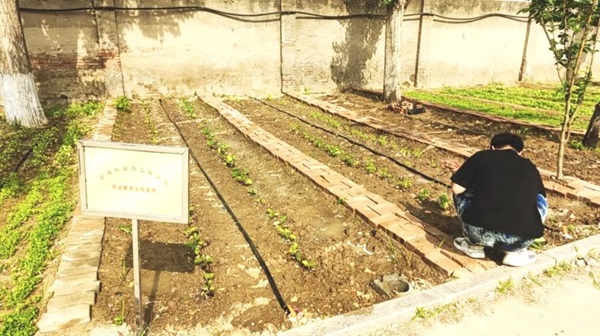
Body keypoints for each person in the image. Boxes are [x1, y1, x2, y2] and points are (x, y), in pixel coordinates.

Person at [449, 132, 548, 267]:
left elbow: (457, 188)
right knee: (540, 199)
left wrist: (460, 175)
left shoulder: (482, 156)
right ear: (520, 152)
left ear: (492, 147)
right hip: (520, 238)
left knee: (464, 189)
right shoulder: (530, 167)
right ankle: (515, 253)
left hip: (478, 232)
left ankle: (473, 246)